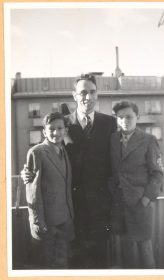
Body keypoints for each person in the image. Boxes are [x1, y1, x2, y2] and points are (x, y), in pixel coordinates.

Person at [21, 74, 116, 268]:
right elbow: (45, 149)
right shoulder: (63, 123)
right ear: (74, 96)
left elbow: (116, 160)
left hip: (101, 206)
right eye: (82, 92)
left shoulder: (109, 123)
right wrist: (28, 171)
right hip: (72, 208)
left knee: (101, 260)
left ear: (97, 95)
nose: (87, 97)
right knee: (75, 260)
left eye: (92, 92)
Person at [108, 100, 163, 268]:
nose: (125, 120)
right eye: (121, 117)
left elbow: (157, 173)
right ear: (116, 119)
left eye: (129, 117)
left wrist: (146, 199)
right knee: (126, 249)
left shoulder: (148, 140)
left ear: (137, 117)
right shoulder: (113, 139)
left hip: (140, 204)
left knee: (144, 248)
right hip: (120, 203)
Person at [25, 112, 74, 269]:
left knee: (62, 263)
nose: (56, 132)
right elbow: (32, 192)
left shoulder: (64, 151)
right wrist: (37, 221)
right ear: (44, 132)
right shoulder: (37, 152)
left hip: (64, 219)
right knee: (49, 266)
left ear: (65, 131)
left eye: (60, 128)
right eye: (51, 129)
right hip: (47, 223)